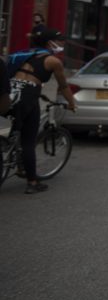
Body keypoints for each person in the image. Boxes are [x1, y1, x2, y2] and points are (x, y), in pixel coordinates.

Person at [9, 28, 77, 194]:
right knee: (28, 142)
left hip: (9, 92)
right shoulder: (53, 61)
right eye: (59, 41)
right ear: (49, 43)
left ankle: (16, 159)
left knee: (14, 128)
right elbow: (63, 86)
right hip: (27, 96)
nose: (62, 44)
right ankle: (32, 182)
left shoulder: (22, 54)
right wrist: (71, 103)